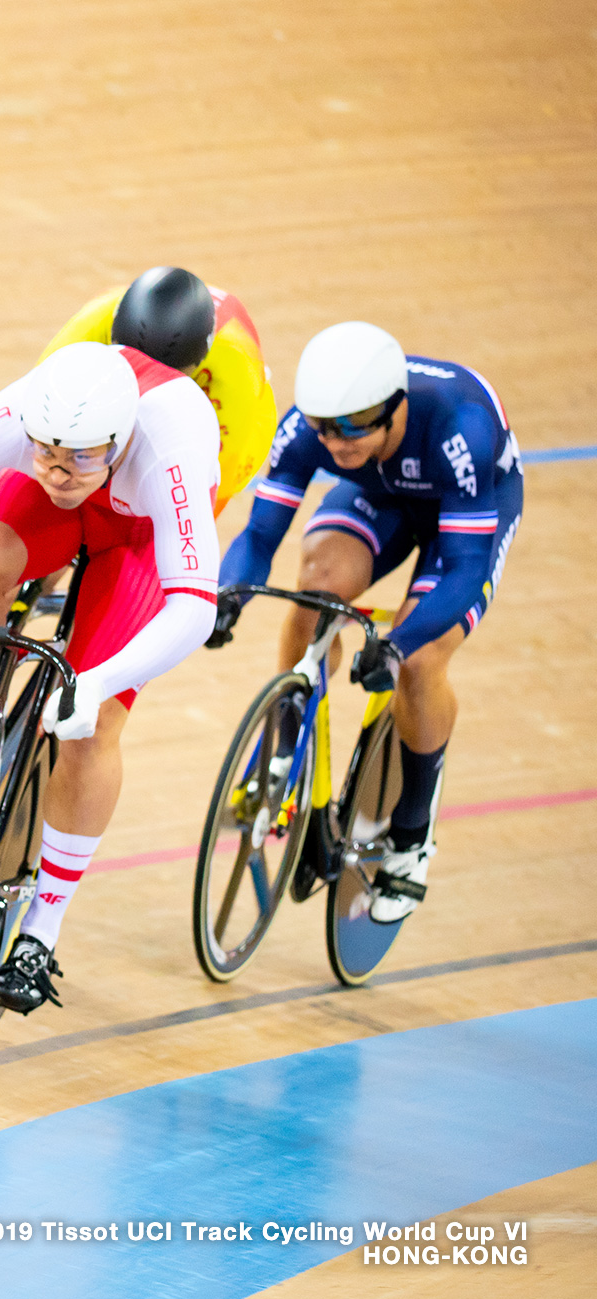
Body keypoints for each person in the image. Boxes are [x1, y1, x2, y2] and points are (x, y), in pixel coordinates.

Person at [0, 342, 221, 1012]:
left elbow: (195, 606)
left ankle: (41, 930)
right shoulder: (19, 414)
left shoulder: (169, 443)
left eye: (81, 456)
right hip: (67, 518)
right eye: (47, 452)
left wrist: (98, 680)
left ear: (118, 440)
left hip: (139, 537)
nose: (59, 471)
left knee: (92, 725)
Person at [210, 322, 521, 923]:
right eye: (327, 427)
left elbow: (462, 569)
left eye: (355, 425)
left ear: (395, 408)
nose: (338, 441)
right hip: (380, 495)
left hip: (466, 517)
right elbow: (258, 536)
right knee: (317, 594)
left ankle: (411, 835)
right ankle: (287, 744)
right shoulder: (308, 432)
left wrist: (397, 645)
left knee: (422, 660)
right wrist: (227, 600)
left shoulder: (462, 427)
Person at [41, 266, 276, 515]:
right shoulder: (96, 320)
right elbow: (36, 411)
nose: (147, 380)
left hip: (229, 416)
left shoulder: (235, 364)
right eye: (134, 365)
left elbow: (198, 498)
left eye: (164, 376)